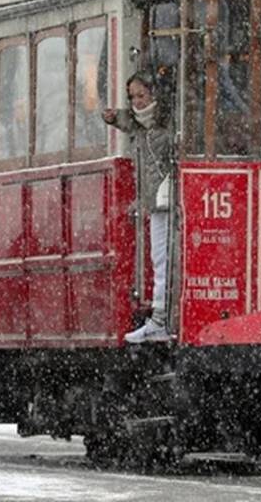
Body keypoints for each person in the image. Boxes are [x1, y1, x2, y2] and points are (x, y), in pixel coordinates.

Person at [102, 71, 175, 343]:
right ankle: (160, 318)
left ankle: (162, 318)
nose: (137, 102)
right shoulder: (140, 124)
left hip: (168, 201)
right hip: (155, 201)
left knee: (166, 259)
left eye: (141, 96)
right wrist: (110, 117)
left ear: (154, 95)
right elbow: (127, 120)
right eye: (132, 97)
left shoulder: (164, 125)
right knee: (159, 258)